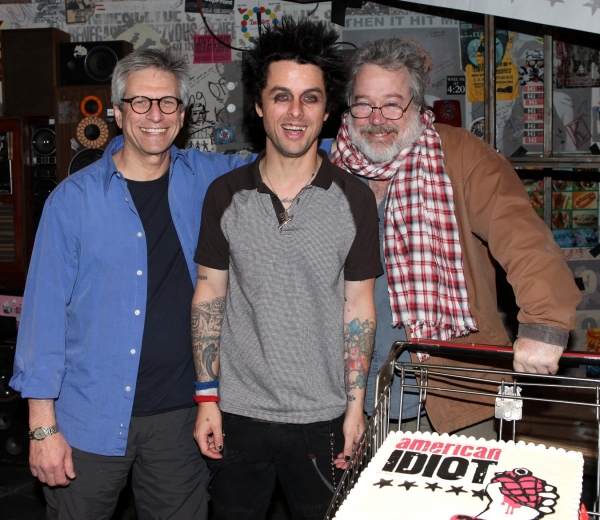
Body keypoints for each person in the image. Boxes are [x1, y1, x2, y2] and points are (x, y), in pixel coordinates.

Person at [10, 48, 247, 519]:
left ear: (183, 114)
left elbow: (287, 160)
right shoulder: (71, 202)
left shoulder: (209, 178)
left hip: (182, 419)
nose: (154, 116)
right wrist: (42, 429)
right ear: (117, 113)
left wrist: (359, 131)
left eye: (167, 103)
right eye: (140, 102)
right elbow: (42, 319)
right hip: (87, 422)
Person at [331, 38, 581, 435]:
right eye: (364, 103)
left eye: (393, 103)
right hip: (347, 402)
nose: (377, 118)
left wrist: (544, 325)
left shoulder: (461, 156)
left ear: (417, 104)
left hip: (452, 395)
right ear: (349, 108)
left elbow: (524, 239)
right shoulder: (327, 171)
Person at [191, 16, 381, 519]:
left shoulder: (355, 199)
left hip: (324, 418)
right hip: (238, 415)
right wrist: (206, 398)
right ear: (258, 105)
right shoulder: (224, 195)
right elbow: (209, 296)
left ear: (327, 111)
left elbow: (358, 306)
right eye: (281, 96)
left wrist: (355, 408)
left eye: (310, 98)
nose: (295, 112)